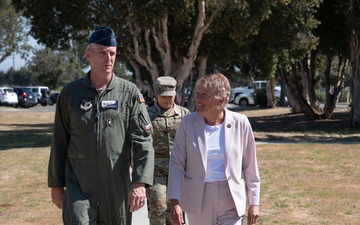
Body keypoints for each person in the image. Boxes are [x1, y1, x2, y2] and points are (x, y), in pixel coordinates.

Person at [48, 26, 155, 225]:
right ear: (88, 55)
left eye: (112, 53)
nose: (109, 58)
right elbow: (59, 140)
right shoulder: (70, 94)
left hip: (116, 183)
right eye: (102, 53)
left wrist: (139, 182)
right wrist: (56, 184)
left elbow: (143, 140)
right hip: (78, 182)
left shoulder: (129, 93)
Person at [167, 73, 261, 225]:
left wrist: (254, 202)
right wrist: (174, 201)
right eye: (197, 94)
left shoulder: (240, 122)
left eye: (204, 95)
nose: (198, 99)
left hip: (231, 199)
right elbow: (176, 164)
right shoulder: (187, 123)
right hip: (198, 199)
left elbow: (250, 166)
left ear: (221, 99)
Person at [146, 76, 190, 225]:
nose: (167, 100)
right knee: (158, 206)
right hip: (155, 169)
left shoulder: (185, 115)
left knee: (176, 211)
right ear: (156, 94)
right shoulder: (146, 114)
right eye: (163, 96)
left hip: (178, 169)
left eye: (170, 96)